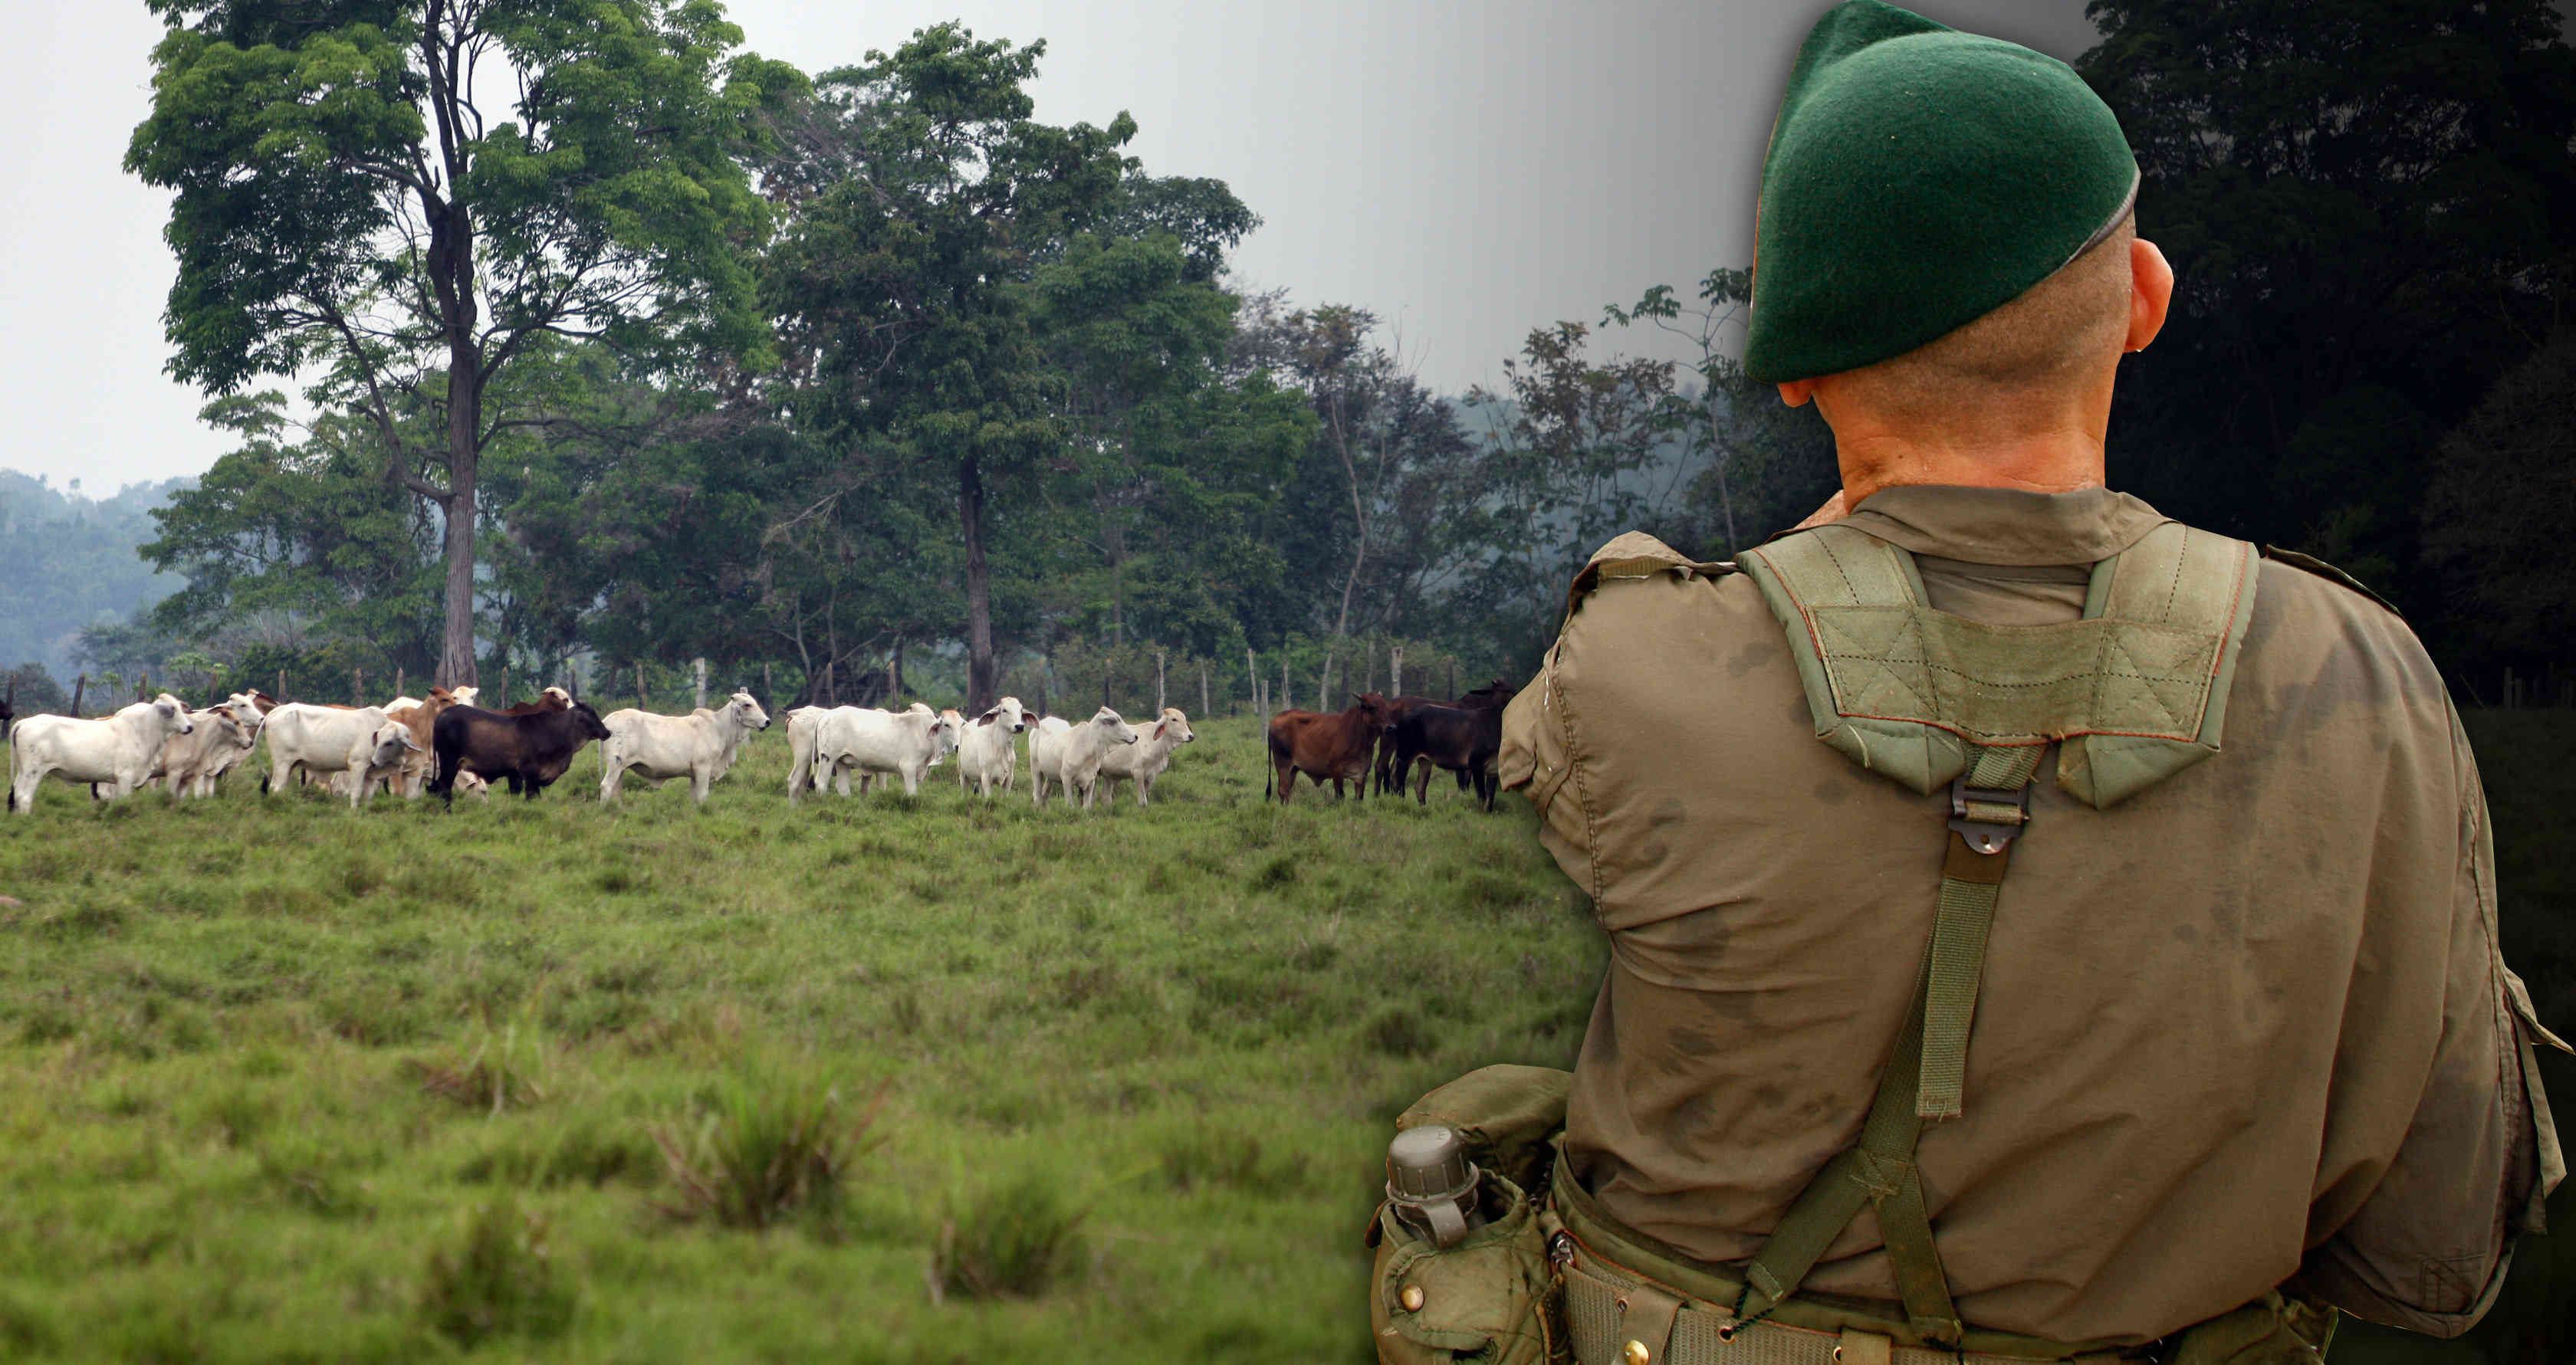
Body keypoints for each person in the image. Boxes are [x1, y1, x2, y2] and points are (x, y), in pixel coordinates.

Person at [1480, 2, 2564, 1361]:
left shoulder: (1637, 665)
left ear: (1797, 372)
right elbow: (2439, 1241)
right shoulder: (2362, 673)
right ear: (2147, 299)